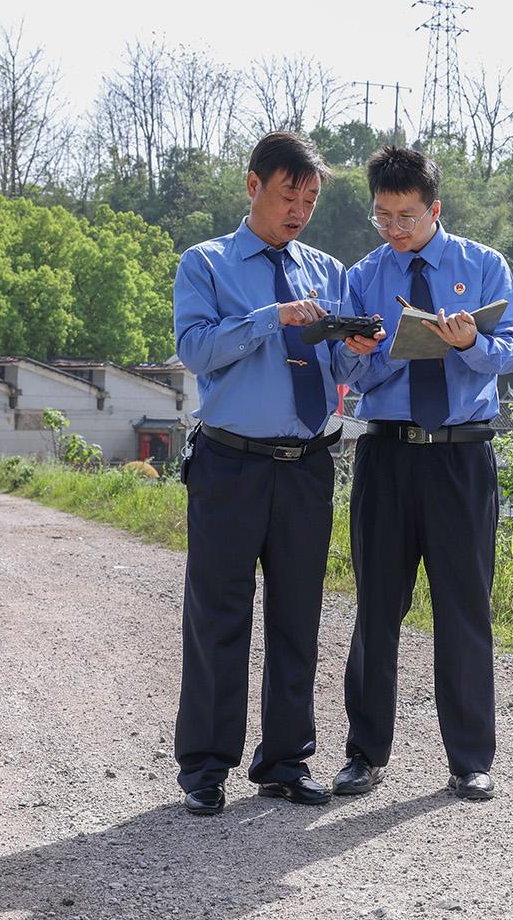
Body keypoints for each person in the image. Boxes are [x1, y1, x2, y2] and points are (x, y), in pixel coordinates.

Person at [333, 144, 513, 801]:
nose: (394, 228)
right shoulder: (363, 276)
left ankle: (470, 759)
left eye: (406, 216)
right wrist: (371, 350)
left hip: (460, 455)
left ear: (434, 209)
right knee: (377, 608)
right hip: (386, 453)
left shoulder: (483, 265)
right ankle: (365, 754)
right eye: (382, 216)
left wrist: (470, 342)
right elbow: (347, 371)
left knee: (464, 608)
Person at [170, 131, 352, 816]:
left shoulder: (328, 271)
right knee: (218, 615)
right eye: (287, 196)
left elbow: (342, 368)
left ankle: (285, 761)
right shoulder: (206, 263)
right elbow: (195, 350)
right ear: (253, 186)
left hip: (307, 465)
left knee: (298, 615)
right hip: (230, 463)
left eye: (310, 200)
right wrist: (271, 317)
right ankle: (205, 766)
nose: (299, 211)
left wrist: (360, 347)